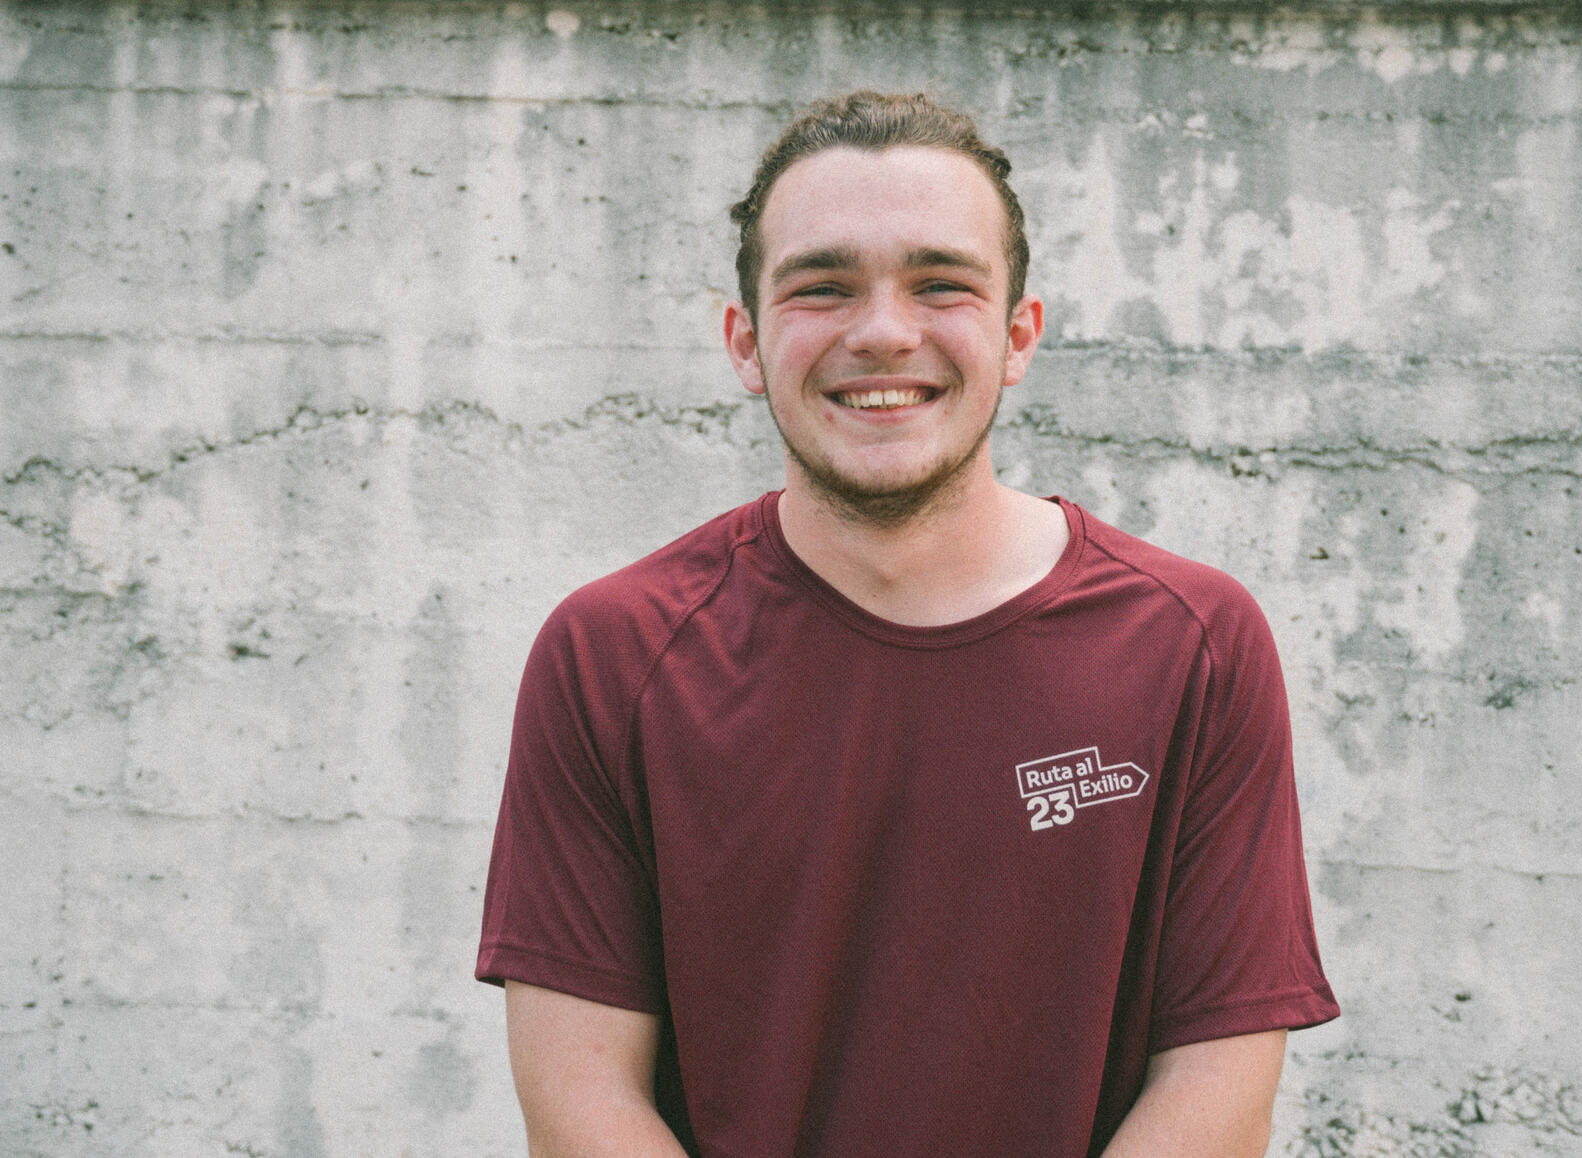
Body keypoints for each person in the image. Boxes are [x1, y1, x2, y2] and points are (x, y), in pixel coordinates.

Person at [477, 91, 1338, 1158]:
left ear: (1018, 335)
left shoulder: (1191, 645)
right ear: (745, 342)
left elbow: (1219, 1084)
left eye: (940, 284)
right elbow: (581, 1101)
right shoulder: (612, 655)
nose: (884, 333)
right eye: (823, 287)